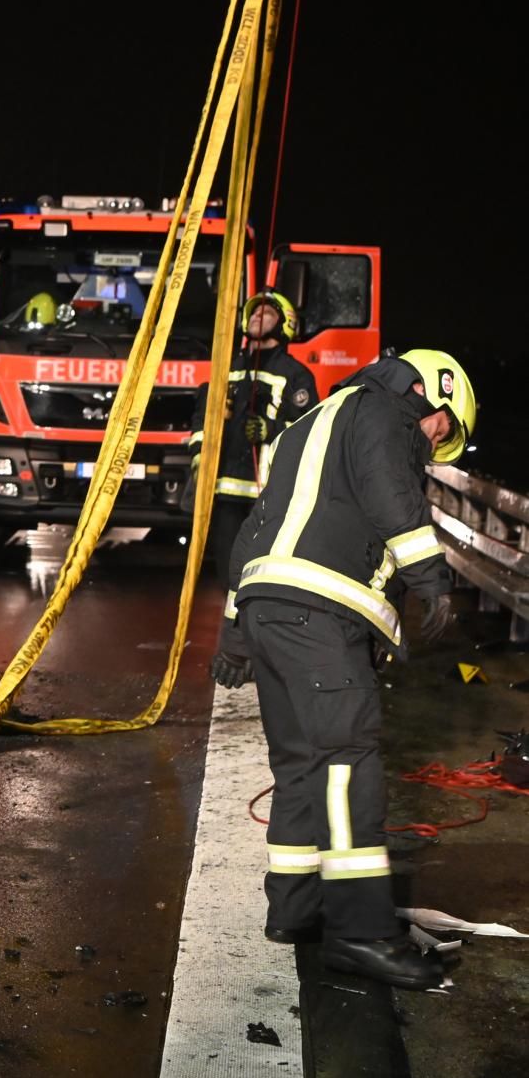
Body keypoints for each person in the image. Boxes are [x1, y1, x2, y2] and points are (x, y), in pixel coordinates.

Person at [209, 349, 477, 990]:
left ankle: (294, 911)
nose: (435, 444)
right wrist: (432, 580)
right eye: (444, 427)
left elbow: (258, 528)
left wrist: (234, 635)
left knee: (300, 763)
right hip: (318, 616)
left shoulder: (310, 423)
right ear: (432, 395)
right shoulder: (387, 414)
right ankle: (361, 933)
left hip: (269, 610)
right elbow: (389, 493)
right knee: (348, 757)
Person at [186, 291, 318, 582]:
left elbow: (310, 430)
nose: (258, 317)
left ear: (285, 324)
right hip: (225, 488)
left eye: (267, 313)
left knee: (265, 566)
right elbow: (201, 417)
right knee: (228, 566)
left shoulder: (296, 375)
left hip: (270, 491)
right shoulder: (228, 367)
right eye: (254, 313)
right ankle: (231, 618)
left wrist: (270, 430)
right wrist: (198, 452)